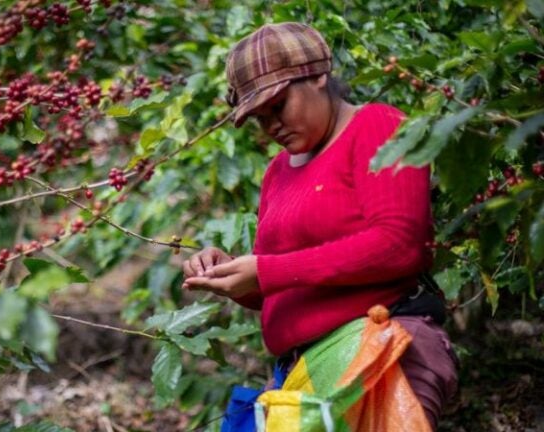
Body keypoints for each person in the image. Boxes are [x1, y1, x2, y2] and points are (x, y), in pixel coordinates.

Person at [181, 22, 458, 431]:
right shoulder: (277, 172)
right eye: (259, 118)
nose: (272, 125)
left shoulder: (377, 125)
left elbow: (399, 245)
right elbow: (289, 282)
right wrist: (232, 275)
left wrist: (266, 270)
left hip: (375, 353)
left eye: (279, 106)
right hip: (301, 372)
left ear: (318, 75)